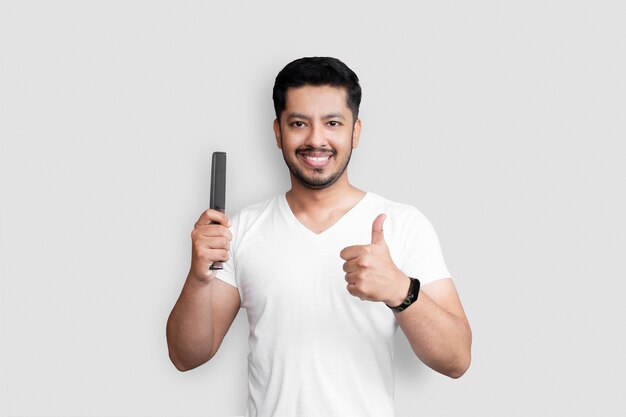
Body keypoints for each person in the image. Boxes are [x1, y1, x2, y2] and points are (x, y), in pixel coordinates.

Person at [166, 57, 472, 417]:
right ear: (278, 133)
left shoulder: (403, 224)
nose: (316, 140)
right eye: (298, 123)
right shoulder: (240, 230)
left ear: (355, 132)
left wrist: (401, 291)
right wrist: (198, 276)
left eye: (332, 123)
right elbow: (187, 356)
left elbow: (457, 359)